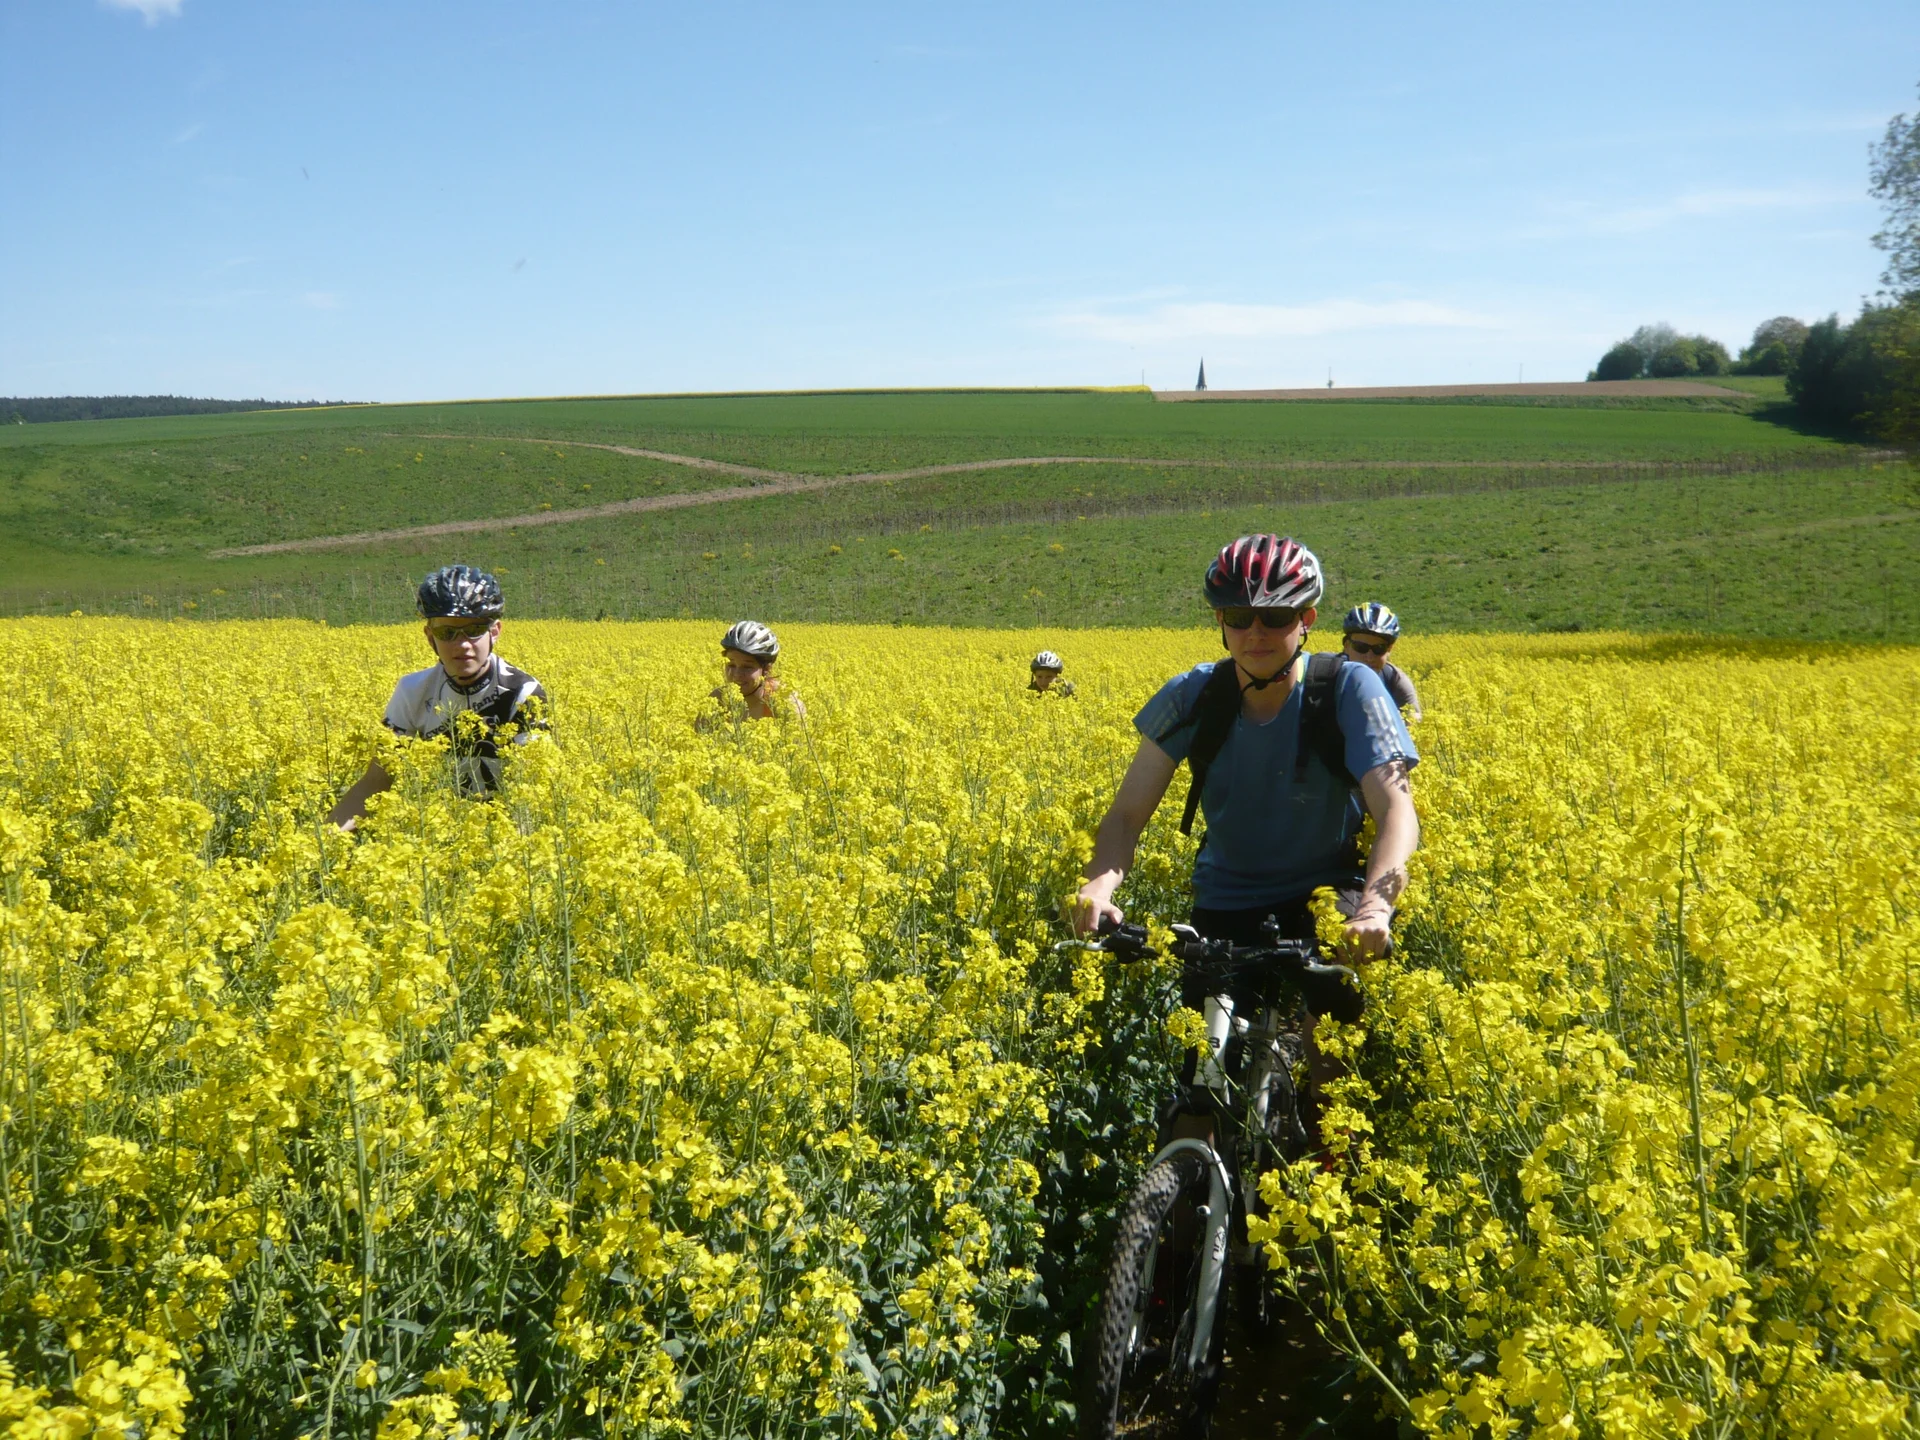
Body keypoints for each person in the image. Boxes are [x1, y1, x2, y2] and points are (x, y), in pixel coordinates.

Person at [1074, 534, 1419, 969]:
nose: (1255, 633)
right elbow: (1125, 817)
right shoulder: (1192, 695)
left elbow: (1396, 811)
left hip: (1331, 894)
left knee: (1328, 1023)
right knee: (1210, 1031)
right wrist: (1097, 889)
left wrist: (1374, 909)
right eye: (1239, 616)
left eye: (1275, 616)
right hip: (1226, 899)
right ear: (1220, 619)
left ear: (1306, 618)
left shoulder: (1349, 688)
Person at [327, 565, 548, 830]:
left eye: (475, 629)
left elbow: (535, 790)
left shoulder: (522, 693)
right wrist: (325, 842)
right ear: (430, 637)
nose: (462, 644)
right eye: (447, 633)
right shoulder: (412, 691)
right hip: (443, 833)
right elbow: (377, 780)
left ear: (495, 631)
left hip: (509, 834)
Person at [705, 620, 806, 723]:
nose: (737, 674)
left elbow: (799, 737)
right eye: (731, 665)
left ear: (766, 669)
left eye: (747, 667)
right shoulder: (717, 700)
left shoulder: (785, 700)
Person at [1342, 602, 1421, 721]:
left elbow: (1414, 721)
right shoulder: (1326, 674)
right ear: (1347, 646)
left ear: (1389, 650)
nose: (1369, 657)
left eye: (1378, 649)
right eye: (1361, 647)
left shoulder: (1394, 679)